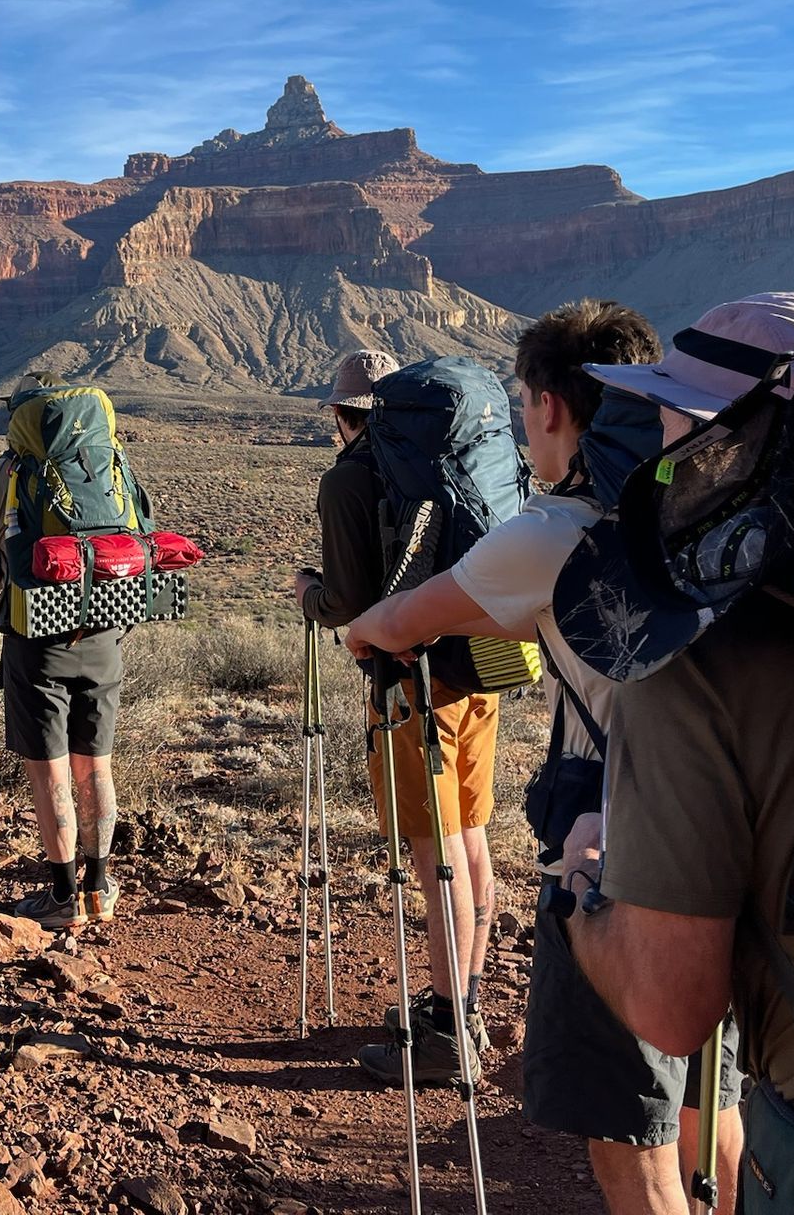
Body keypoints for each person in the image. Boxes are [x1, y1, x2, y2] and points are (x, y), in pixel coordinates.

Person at [347, 301, 744, 1215]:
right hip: (739, 822)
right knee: (709, 1094)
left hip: (619, 848)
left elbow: (405, 621)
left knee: (629, 1136)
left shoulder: (556, 532)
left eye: (526, 404)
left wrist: (368, 627)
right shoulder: (702, 505)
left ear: (553, 406)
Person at [551, 293, 794, 1211]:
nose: (652, 439)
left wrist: (587, 896)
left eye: (668, 412)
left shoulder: (694, 654)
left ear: (719, 440)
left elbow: (671, 1009)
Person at [294, 348, 502, 1085]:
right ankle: (464, 1004)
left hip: (410, 680)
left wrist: (309, 594)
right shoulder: (449, 458)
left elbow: (350, 607)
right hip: (483, 660)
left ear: (341, 415)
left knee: (430, 850)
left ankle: (445, 1034)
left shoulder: (350, 478)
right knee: (470, 838)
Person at [0, 374, 124, 932]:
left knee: (49, 769)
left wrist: (26, 583)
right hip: (105, 629)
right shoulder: (106, 465)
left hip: (37, 639)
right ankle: (99, 888)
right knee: (94, 764)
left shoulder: (0, 474)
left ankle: (61, 895)